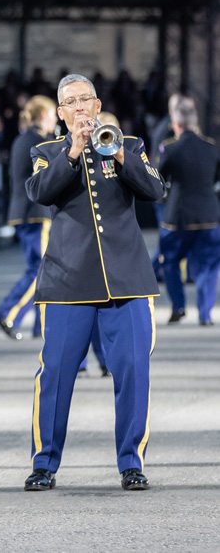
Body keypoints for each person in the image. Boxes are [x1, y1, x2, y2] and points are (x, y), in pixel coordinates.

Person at [24, 74, 165, 492]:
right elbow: (40, 192)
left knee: (134, 372)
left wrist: (120, 151)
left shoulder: (130, 145)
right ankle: (44, 463)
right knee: (56, 375)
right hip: (69, 281)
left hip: (128, 280)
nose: (79, 107)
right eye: (70, 102)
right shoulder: (47, 151)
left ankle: (131, 462)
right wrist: (74, 150)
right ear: (61, 112)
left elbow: (156, 190)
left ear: (98, 105)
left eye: (85, 99)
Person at [0, 95, 57, 341]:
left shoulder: (24, 139)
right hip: (35, 213)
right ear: (43, 116)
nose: (54, 121)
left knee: (43, 269)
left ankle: (40, 325)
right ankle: (8, 312)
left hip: (24, 212)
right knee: (40, 270)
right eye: (52, 115)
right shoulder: (38, 141)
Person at [156, 97, 220, 325]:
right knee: (209, 266)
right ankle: (204, 314)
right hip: (209, 216)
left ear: (176, 124)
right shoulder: (212, 147)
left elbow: (158, 178)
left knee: (170, 262)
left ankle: (179, 307)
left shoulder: (171, 148)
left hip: (178, 217)